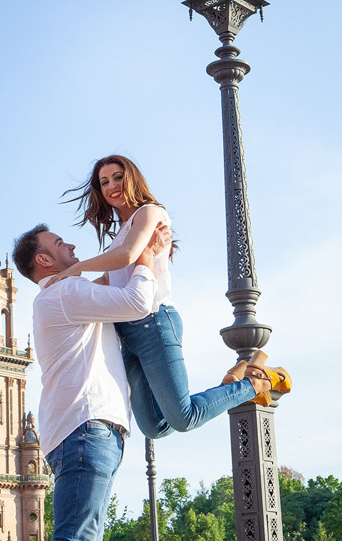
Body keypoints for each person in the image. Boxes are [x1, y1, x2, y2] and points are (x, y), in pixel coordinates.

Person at [12, 223, 272, 541]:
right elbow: (136, 302)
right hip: (86, 427)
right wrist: (149, 255)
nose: (71, 246)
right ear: (44, 261)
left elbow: (117, 283)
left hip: (89, 430)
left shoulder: (69, 293)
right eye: (59, 245)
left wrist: (141, 251)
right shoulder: (64, 292)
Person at [49, 155, 291, 439]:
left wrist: (76, 268)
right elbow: (108, 280)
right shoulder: (119, 237)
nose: (111, 186)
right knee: (154, 426)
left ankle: (258, 382)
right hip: (127, 333)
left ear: (133, 178)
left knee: (184, 418)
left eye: (117, 177)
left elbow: (127, 257)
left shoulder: (150, 213)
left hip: (154, 323)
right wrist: (66, 292)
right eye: (104, 182)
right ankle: (234, 380)